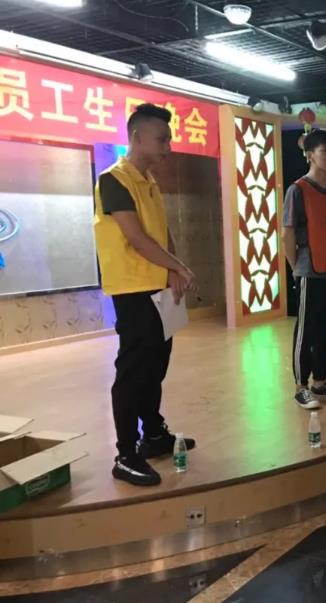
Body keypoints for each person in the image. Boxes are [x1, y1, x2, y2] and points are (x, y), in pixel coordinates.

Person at [94, 103, 197, 487]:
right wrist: (179, 267)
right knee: (133, 371)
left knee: (156, 364)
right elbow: (136, 238)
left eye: (168, 139)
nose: (167, 146)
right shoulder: (114, 179)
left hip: (157, 287)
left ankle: (153, 434)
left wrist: (172, 268)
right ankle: (125, 454)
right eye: (162, 139)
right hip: (133, 289)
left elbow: (160, 233)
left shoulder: (148, 181)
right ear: (137, 138)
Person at [282, 129, 326, 410]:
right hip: (309, 271)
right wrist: (295, 268)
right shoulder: (298, 190)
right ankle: (301, 387)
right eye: (325, 151)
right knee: (306, 331)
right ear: (310, 155)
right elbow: (287, 234)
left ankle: (320, 383)